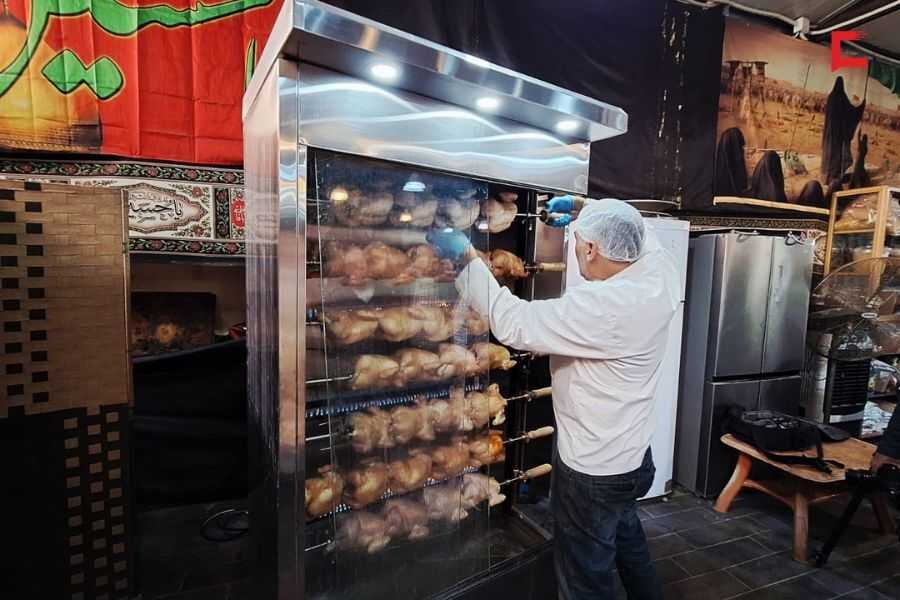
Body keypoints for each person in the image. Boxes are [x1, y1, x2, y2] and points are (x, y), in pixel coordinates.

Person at [428, 197, 680, 600]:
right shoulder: (658, 272)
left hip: (593, 471)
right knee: (628, 542)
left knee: (584, 578)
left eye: (577, 240)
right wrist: (582, 207)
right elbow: (636, 229)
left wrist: (468, 258)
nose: (574, 246)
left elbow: (514, 323)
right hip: (632, 457)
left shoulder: (605, 307)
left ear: (592, 249)